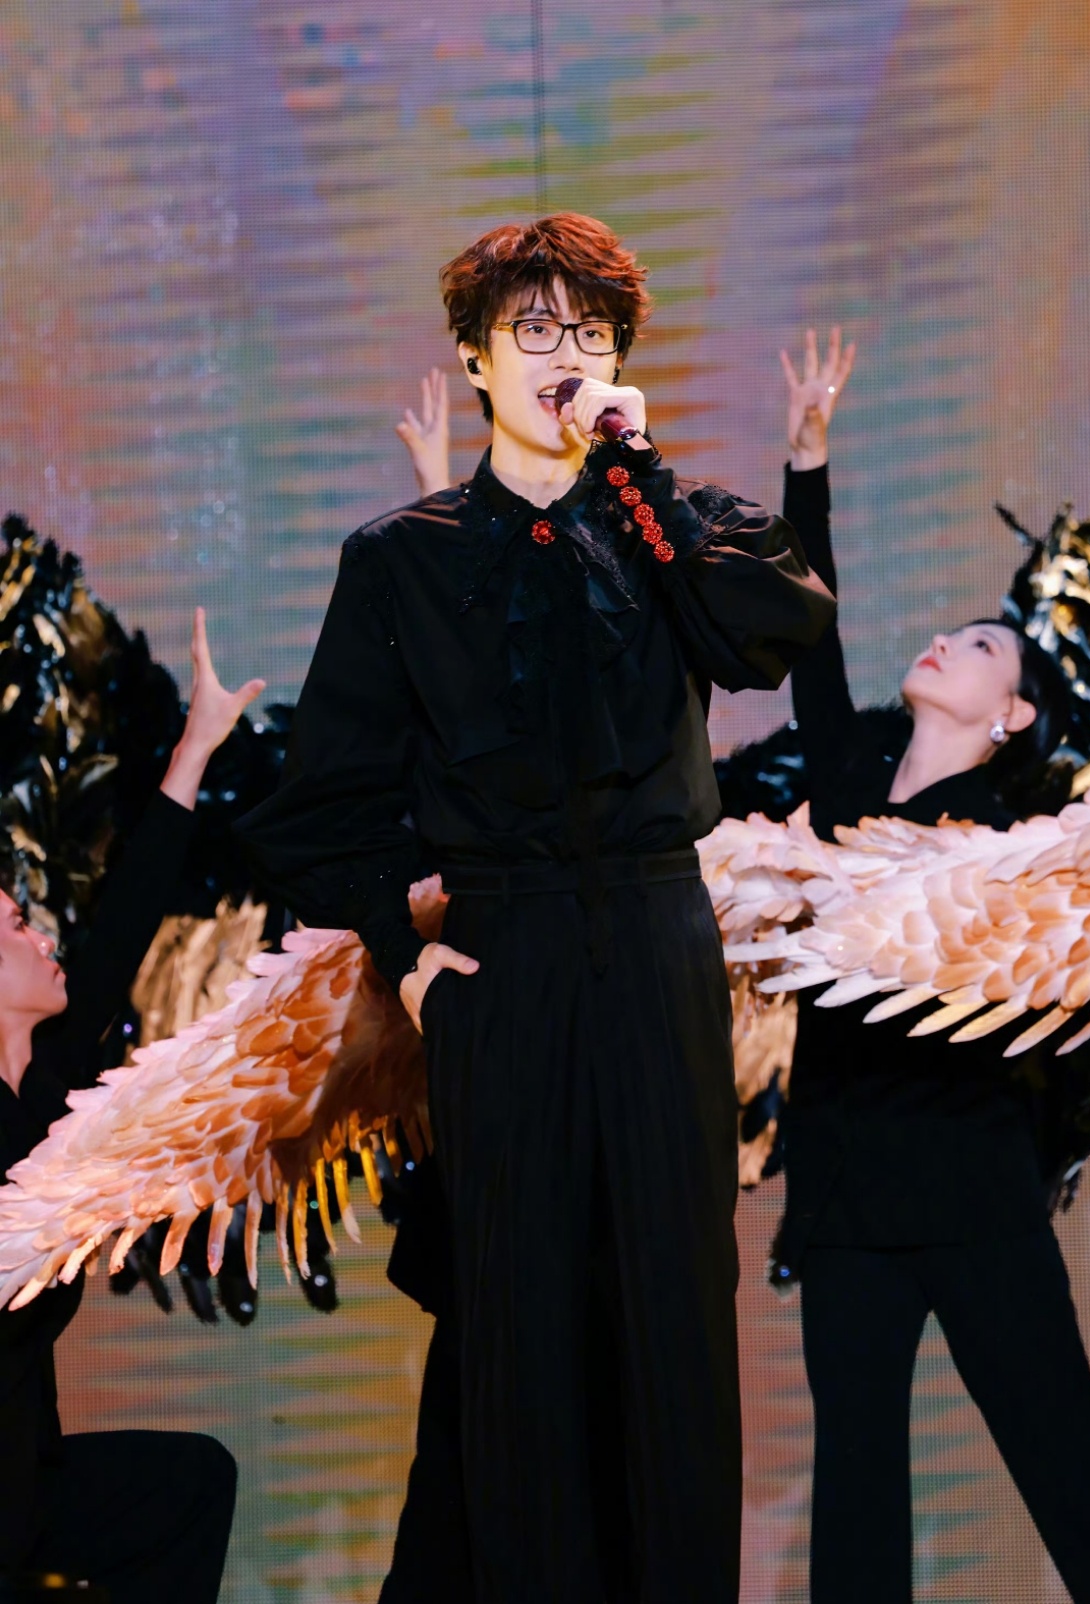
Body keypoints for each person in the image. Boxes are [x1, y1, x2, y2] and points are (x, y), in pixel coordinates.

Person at [238, 212, 835, 1601]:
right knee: (518, 1329)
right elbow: (322, 804)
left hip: (656, 936)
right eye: (534, 327)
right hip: (499, 955)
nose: (566, 351)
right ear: (473, 358)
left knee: (673, 1316)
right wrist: (404, 960)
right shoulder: (401, 558)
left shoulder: (674, 523)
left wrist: (635, 469)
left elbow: (776, 631)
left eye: (592, 330)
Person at [775, 329, 1090, 1602]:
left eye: (977, 646)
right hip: (844, 1202)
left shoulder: (1015, 842)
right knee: (854, 1502)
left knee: (1068, 1468)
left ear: (1009, 713)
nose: (942, 644)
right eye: (945, 634)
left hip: (973, 1191)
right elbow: (811, 645)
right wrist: (807, 464)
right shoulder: (847, 784)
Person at [0, 608, 262, 1600]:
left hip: (26, 1480)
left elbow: (120, 928)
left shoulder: (46, 1084)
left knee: (189, 1485)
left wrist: (195, 746)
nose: (41, 935)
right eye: (16, 925)